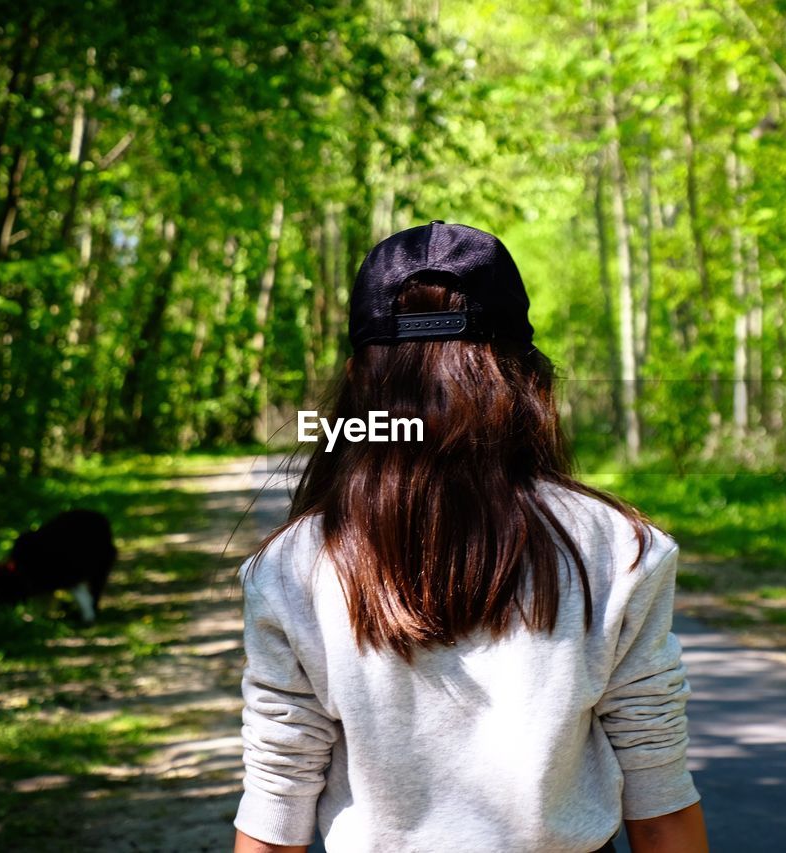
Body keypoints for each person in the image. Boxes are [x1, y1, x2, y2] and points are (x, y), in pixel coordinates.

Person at [234, 221, 709, 853]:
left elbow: (275, 805)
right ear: (527, 376)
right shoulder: (620, 549)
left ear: (358, 380)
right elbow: (660, 809)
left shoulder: (295, 565)